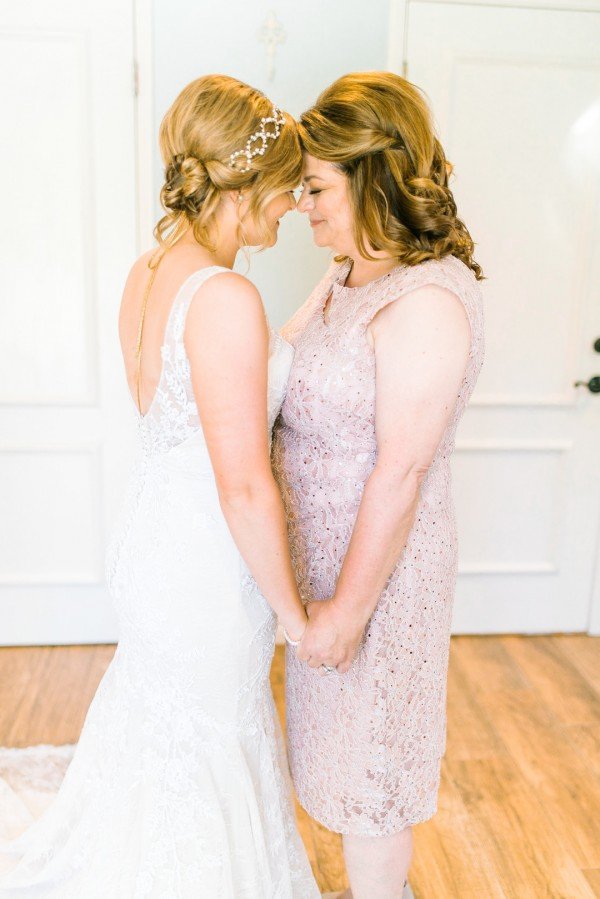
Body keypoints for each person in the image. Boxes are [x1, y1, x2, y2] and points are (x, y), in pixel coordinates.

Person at [0, 74, 319, 898]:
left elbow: (205, 394)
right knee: (214, 730)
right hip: (207, 561)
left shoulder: (150, 272)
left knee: (173, 728)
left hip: (155, 540)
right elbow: (243, 484)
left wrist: (312, 311)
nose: (293, 205)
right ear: (243, 187)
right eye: (286, 187)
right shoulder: (227, 296)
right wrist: (295, 616)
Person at [272, 71, 485, 899]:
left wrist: (346, 614)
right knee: (337, 763)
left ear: (371, 177)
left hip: (378, 587)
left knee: (373, 775)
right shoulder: (347, 272)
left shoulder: (425, 300)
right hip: (323, 569)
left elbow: (401, 471)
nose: (303, 205)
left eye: (317, 187)